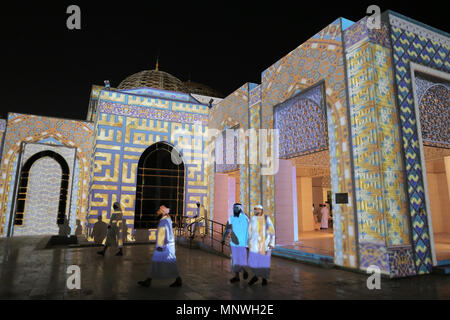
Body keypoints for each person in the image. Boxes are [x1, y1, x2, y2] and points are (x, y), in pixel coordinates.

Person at [138, 205, 182, 288]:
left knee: (163, 262)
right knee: (167, 263)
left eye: (159, 210)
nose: (158, 211)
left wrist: (160, 246)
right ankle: (149, 280)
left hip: (164, 246)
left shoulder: (164, 221)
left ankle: (149, 280)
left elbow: (162, 232)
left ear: (162, 212)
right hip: (168, 245)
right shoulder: (167, 220)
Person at [247, 205, 275, 286]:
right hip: (254, 244)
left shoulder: (266, 218)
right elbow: (249, 232)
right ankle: (256, 276)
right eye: (255, 209)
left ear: (262, 210)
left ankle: (264, 278)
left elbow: (271, 231)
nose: (256, 211)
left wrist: (272, 243)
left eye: (258, 209)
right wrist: (248, 243)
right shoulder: (252, 219)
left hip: (264, 244)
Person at [221, 203, 249, 283]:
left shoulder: (244, 218)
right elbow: (227, 229)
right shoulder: (233, 218)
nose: (235, 210)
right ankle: (238, 275)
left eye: (236, 208)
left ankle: (242, 272)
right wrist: (223, 238)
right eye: (234, 208)